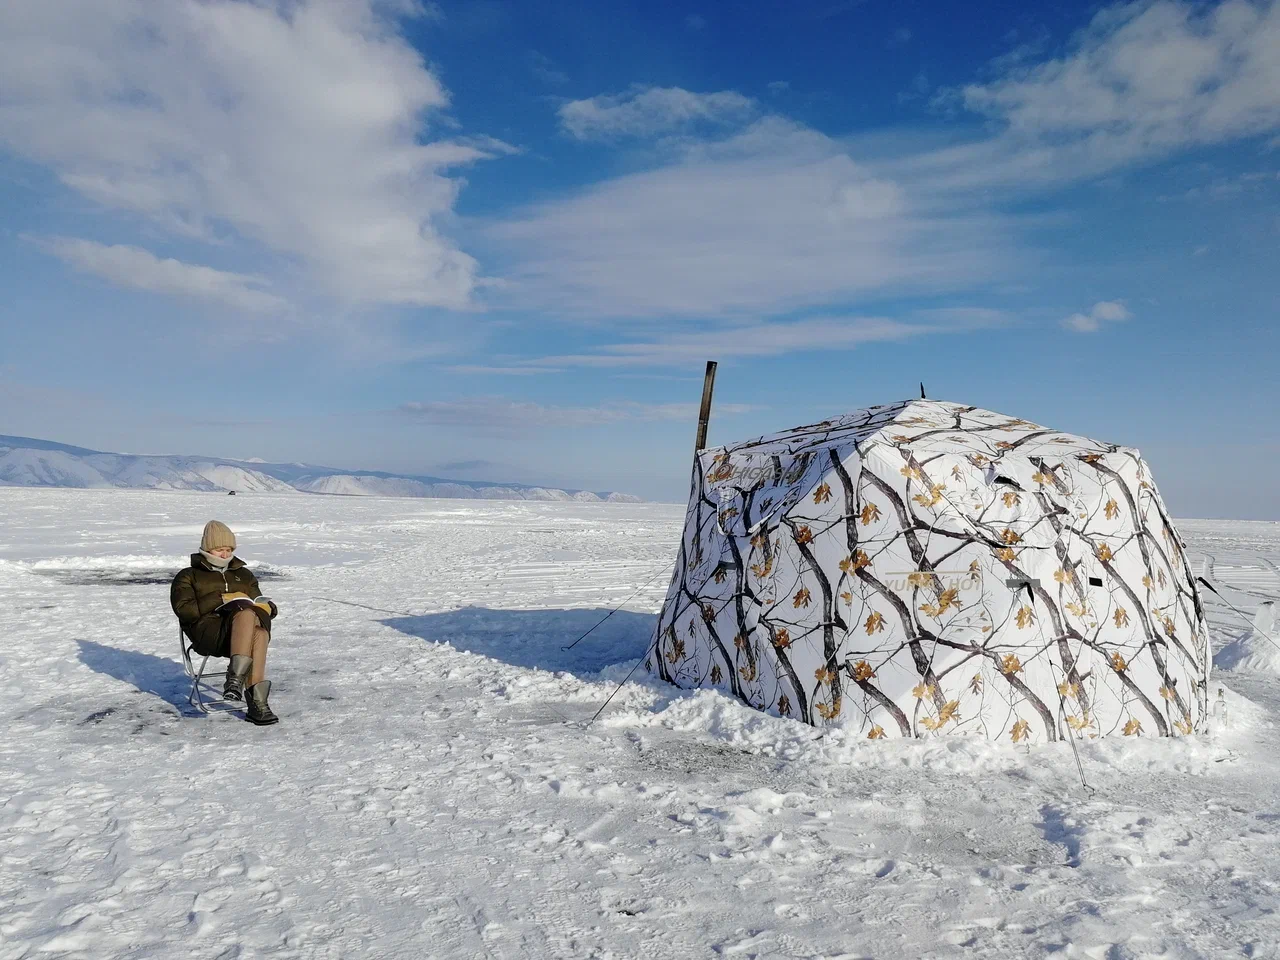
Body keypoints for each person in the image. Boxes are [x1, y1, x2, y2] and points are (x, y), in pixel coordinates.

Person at [171, 520, 280, 725]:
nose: (225, 554)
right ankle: (237, 681)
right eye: (219, 549)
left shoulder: (243, 575)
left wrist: (270, 608)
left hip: (242, 634)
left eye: (228, 549)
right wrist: (220, 598)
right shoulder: (188, 576)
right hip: (208, 634)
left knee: (259, 629)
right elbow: (185, 611)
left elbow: (257, 601)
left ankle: (255, 702)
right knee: (247, 616)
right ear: (207, 548)